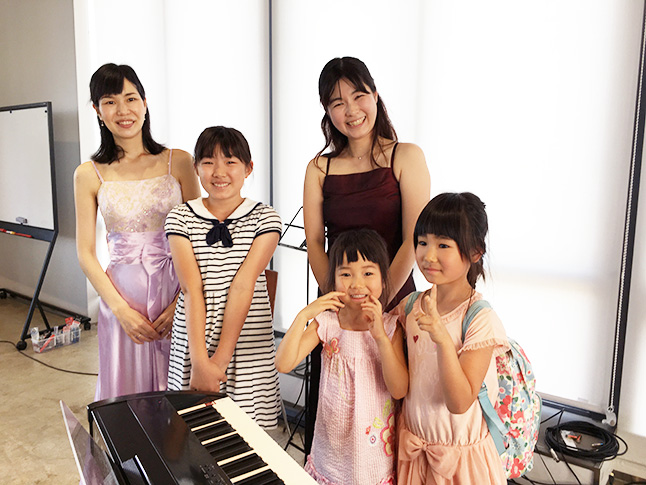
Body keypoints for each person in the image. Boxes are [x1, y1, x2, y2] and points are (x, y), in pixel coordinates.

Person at [302, 56, 430, 453]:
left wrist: (380, 298)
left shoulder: (405, 156)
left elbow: (413, 239)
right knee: (338, 409)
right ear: (327, 110)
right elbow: (315, 242)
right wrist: (339, 300)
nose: (351, 110)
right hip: (339, 300)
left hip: (395, 300)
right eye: (337, 102)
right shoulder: (319, 168)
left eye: (359, 96)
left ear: (375, 95)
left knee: (393, 408)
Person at [74, 63, 200, 401]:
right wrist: (120, 310)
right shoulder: (88, 174)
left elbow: (198, 238)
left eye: (130, 98)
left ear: (145, 102)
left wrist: (182, 303)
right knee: (127, 398)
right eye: (110, 101)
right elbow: (85, 252)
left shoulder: (179, 162)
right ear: (97, 111)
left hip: (178, 292)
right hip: (122, 300)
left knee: (183, 395)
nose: (123, 110)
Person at [164, 126, 282, 428]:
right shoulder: (180, 217)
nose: (219, 172)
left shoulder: (265, 217)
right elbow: (191, 289)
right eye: (208, 162)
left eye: (230, 162)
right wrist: (200, 362)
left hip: (245, 339)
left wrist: (218, 362)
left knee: (248, 431)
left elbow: (244, 285)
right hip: (195, 339)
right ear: (196, 168)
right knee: (193, 430)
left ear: (248, 168)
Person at [276, 229, 408, 485]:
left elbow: (399, 389)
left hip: (372, 458)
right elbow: (283, 363)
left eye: (368, 273)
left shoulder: (390, 327)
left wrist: (380, 338)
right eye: (346, 274)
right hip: (331, 451)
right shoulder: (327, 322)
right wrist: (304, 315)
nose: (357, 284)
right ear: (333, 280)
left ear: (383, 280)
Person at [396, 193, 509, 485]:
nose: (428, 255)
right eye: (423, 242)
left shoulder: (479, 318)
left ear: (475, 252)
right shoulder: (409, 306)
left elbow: (459, 402)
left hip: (462, 463)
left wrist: (443, 339)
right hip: (413, 452)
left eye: (443, 245)